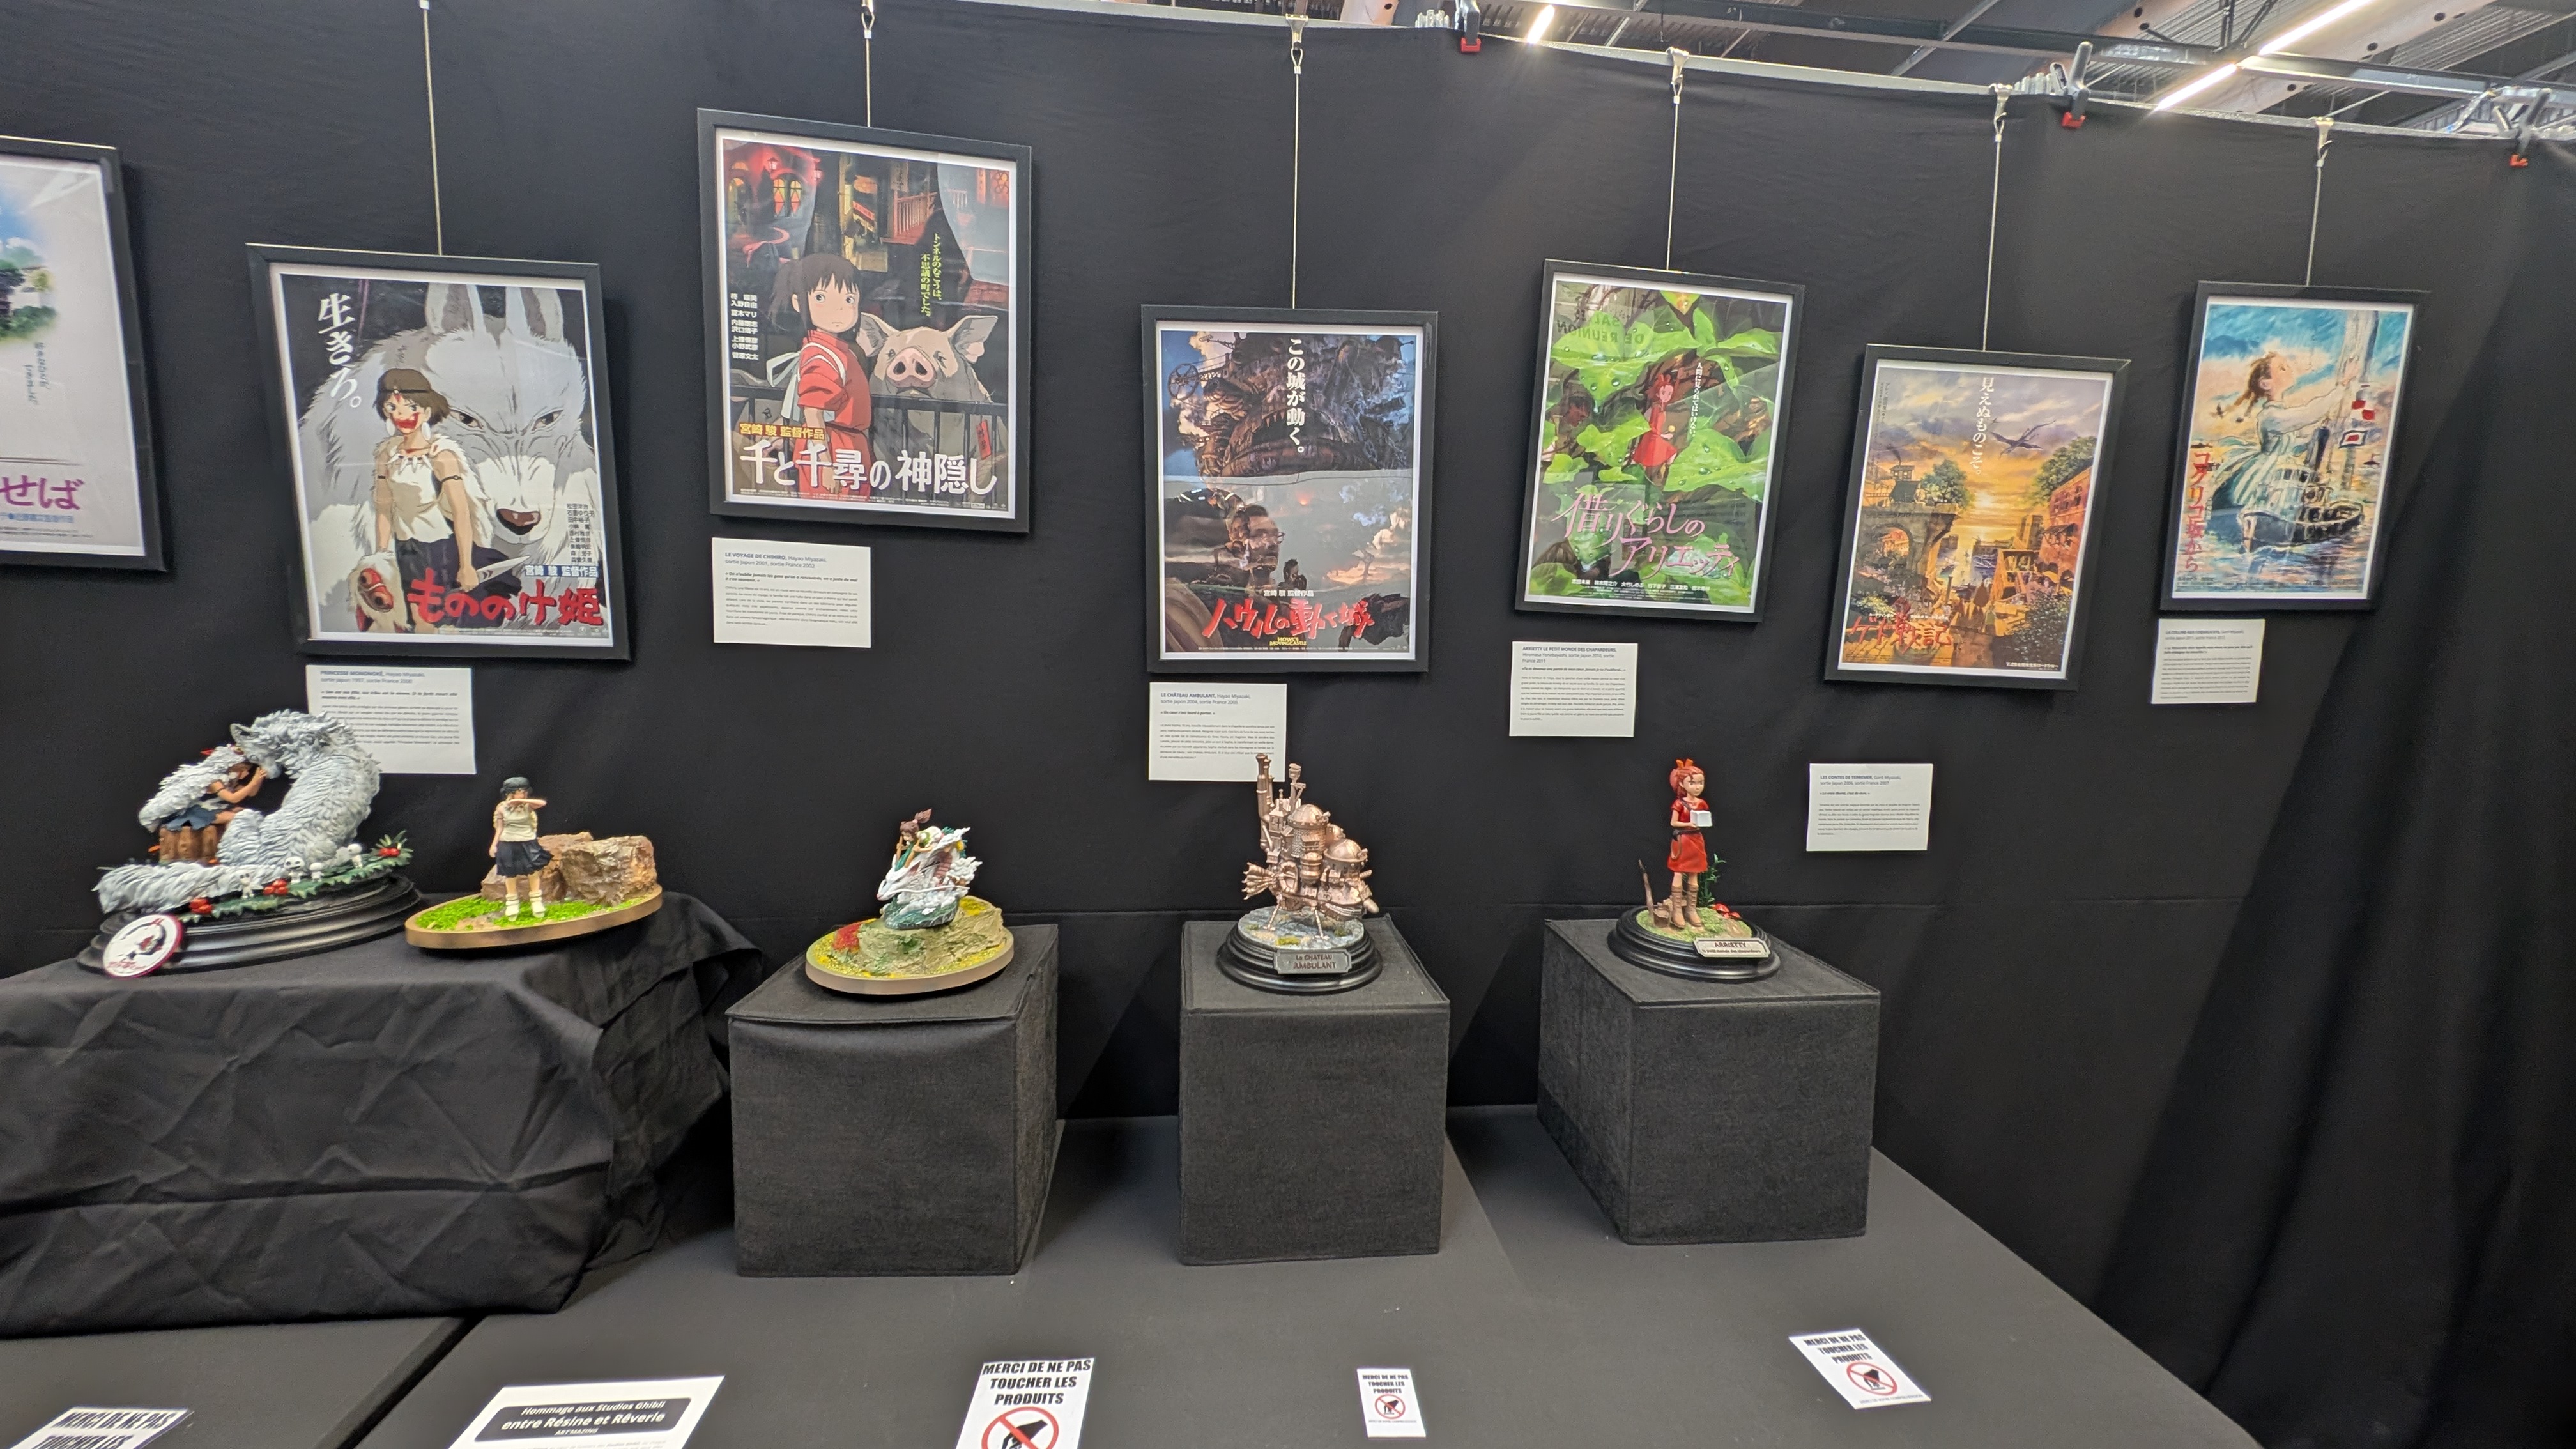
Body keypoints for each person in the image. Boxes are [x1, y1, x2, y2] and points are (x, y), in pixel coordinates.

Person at [368, 369, 482, 631]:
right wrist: (381, 558)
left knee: (436, 621)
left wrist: (466, 565)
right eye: (392, 407)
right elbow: (384, 508)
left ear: (427, 410)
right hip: (404, 548)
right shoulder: (387, 455)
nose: (402, 415)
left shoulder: (441, 455)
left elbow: (462, 513)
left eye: (411, 407)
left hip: (439, 549)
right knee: (410, 618)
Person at [2210, 352, 2342, 555]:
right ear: (2266, 384)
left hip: (2282, 471)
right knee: (2260, 506)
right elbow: (2308, 413)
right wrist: (2342, 387)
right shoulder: (2270, 415)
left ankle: (2267, 537)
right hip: (2266, 473)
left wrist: (2319, 435)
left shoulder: (2279, 414)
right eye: (2282, 368)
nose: (2289, 369)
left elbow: (2292, 446)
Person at [768, 252, 872, 498]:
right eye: (821, 298)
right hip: (833, 448)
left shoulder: (834, 350)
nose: (839, 309)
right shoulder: (820, 355)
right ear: (798, 303)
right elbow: (813, 413)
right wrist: (826, 465)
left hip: (845, 448)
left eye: (849, 299)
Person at [489, 777, 553, 921]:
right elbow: (500, 828)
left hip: (527, 842)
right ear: (510, 793)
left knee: (533, 872)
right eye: (518, 792)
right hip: (508, 843)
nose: (521, 793)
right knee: (510, 874)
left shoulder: (528, 806)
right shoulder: (502, 808)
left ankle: (536, 901)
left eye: (523, 791)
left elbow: (542, 803)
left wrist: (522, 801)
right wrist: (494, 845)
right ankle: (512, 903)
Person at [1662, 759, 1712, 930]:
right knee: (1679, 872)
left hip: (1697, 839)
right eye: (1693, 783)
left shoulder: (1702, 803)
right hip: (1683, 840)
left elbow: (1705, 817)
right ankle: (1677, 910)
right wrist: (1689, 824)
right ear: (1682, 784)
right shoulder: (1679, 804)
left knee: (1694, 873)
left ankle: (1691, 909)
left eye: (1700, 783)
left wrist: (1703, 822)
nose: (1697, 787)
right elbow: (1673, 823)